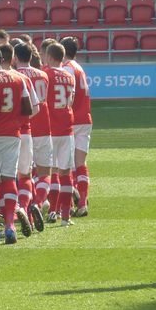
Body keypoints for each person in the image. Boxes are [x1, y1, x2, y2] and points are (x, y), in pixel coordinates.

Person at [0, 46, 33, 244]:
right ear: (3, 59)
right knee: (10, 178)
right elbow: (27, 108)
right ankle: (10, 225)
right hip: (13, 135)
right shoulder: (18, 77)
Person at [13, 41, 50, 232]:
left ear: (15, 57)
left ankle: (24, 209)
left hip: (23, 129)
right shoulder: (43, 74)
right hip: (43, 128)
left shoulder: (15, 76)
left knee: (21, 174)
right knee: (44, 174)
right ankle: (39, 202)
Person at [44, 42, 76, 227]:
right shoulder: (69, 76)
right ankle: (65, 217)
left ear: (48, 57)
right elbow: (71, 100)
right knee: (65, 173)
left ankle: (52, 211)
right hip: (67, 127)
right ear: (62, 57)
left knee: (51, 172)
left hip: (50, 128)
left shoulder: (45, 74)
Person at [61, 36, 92, 217]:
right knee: (80, 163)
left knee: (69, 164)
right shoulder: (79, 67)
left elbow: (68, 97)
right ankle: (83, 201)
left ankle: (75, 200)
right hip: (85, 118)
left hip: (73, 120)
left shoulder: (67, 69)